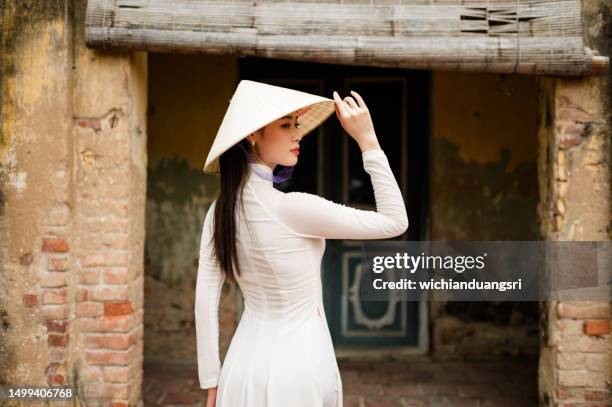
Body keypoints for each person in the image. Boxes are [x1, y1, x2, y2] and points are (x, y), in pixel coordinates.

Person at [195, 80, 408, 407]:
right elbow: (395, 221)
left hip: (239, 373)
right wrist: (368, 141)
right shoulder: (292, 207)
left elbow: (205, 301)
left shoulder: (218, 211)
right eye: (285, 125)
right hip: (297, 372)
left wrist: (212, 381)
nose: (297, 134)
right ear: (253, 135)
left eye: (297, 124)